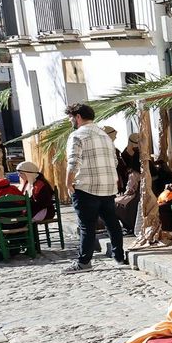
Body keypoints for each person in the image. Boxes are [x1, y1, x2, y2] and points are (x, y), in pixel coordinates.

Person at [64, 104, 125, 271]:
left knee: (86, 226)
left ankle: (84, 262)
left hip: (86, 187)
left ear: (77, 117)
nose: (71, 121)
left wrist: (68, 182)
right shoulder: (104, 135)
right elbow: (114, 161)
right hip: (107, 187)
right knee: (112, 224)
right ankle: (119, 257)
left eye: (71, 118)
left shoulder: (77, 135)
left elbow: (74, 162)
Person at [115, 136, 143, 234]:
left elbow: (130, 189)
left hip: (134, 193)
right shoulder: (124, 154)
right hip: (132, 188)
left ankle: (128, 225)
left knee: (115, 204)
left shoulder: (134, 174)